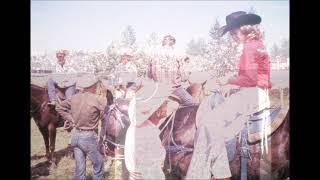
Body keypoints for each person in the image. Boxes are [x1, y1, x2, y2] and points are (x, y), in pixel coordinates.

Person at [186, 11, 272, 180]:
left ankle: (215, 174)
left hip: (251, 95)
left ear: (244, 29)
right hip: (258, 93)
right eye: (231, 33)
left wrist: (227, 79)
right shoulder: (258, 44)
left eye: (234, 32)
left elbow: (250, 78)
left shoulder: (249, 47)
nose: (232, 36)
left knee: (209, 123)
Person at [124, 86, 180, 180]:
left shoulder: (139, 126)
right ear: (157, 112)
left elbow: (173, 106)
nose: (168, 106)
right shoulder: (148, 133)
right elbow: (155, 166)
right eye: (166, 103)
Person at [55, 90, 108, 180]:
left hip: (75, 136)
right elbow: (107, 109)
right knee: (98, 163)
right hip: (89, 137)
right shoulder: (96, 98)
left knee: (80, 167)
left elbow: (59, 107)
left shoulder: (74, 98)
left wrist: (70, 118)